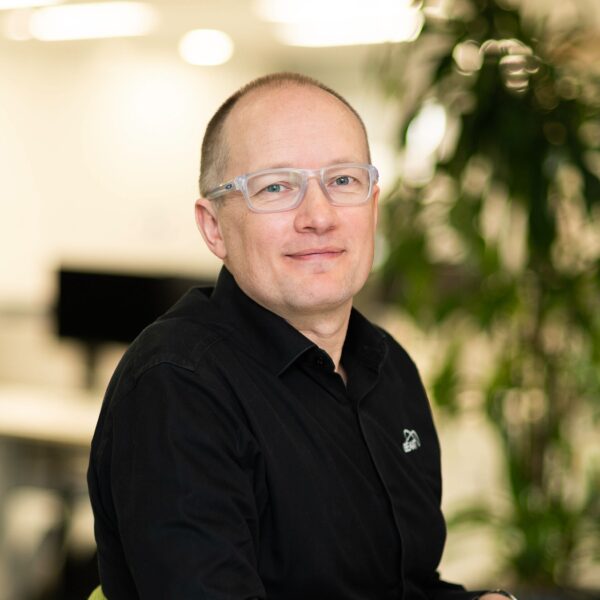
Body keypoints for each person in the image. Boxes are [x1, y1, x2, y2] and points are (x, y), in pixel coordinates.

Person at [87, 73, 515, 600]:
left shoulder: (389, 367)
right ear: (214, 227)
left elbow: (406, 586)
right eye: (275, 187)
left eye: (343, 181)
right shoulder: (178, 386)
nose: (319, 216)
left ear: (373, 207)